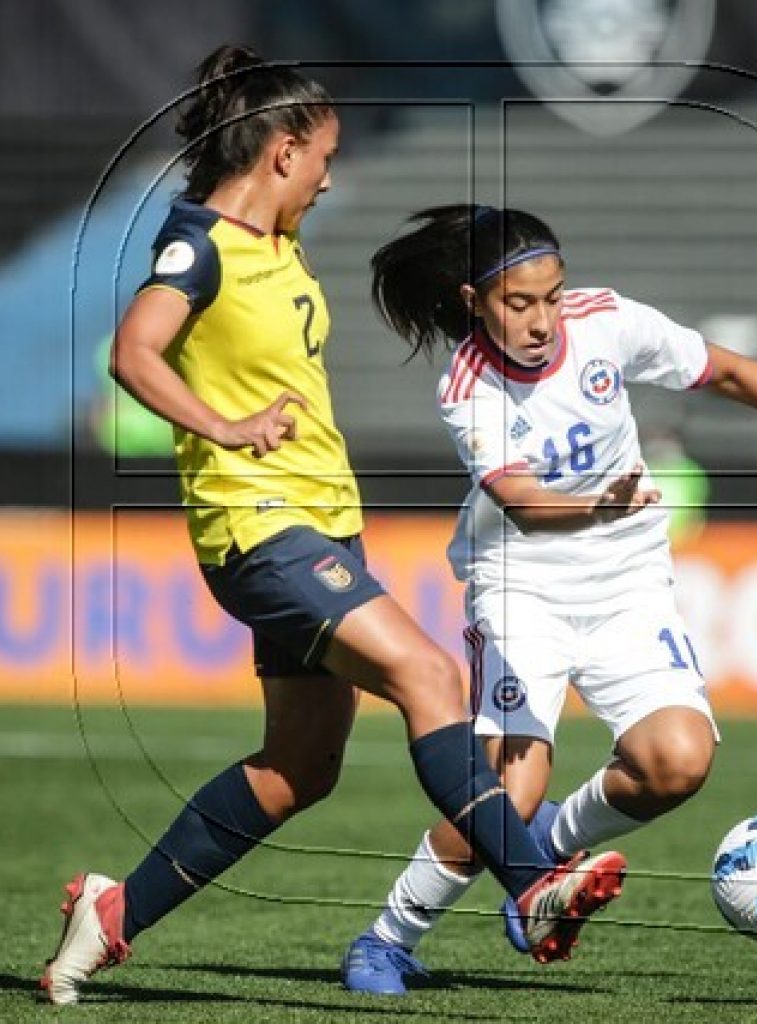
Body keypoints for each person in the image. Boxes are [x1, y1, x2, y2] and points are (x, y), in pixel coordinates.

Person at [41, 50, 626, 1006]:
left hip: (320, 529)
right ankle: (534, 885)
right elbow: (133, 353)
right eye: (324, 156)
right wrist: (227, 428)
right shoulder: (201, 245)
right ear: (281, 151)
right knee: (430, 676)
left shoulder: (277, 248)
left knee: (299, 768)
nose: (329, 174)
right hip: (260, 527)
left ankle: (110, 918)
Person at [341, 204, 757, 995]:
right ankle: (385, 941)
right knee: (507, 792)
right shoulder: (468, 386)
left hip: (627, 584)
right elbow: (525, 503)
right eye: (519, 304)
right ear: (472, 301)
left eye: (552, 296)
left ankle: (546, 848)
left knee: (677, 762)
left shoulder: (608, 321)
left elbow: (724, 369)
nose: (543, 319)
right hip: (523, 591)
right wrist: (601, 505)